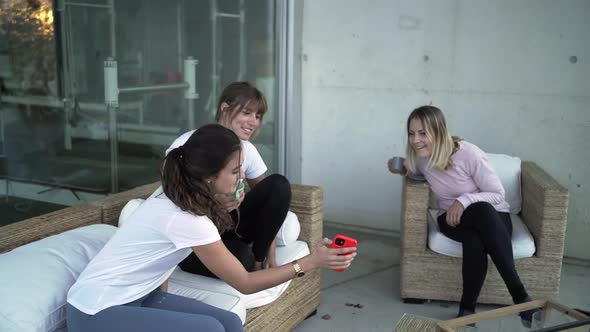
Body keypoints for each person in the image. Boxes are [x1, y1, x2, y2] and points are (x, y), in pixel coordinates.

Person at [67, 124, 356, 332]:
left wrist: (222, 205)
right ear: (208, 177)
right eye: (234, 171)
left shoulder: (179, 196)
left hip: (140, 296)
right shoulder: (186, 219)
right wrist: (311, 262)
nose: (241, 177)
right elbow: (244, 282)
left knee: (230, 322)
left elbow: (161, 252)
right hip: (96, 312)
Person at [388, 105, 536, 327]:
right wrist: (402, 169)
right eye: (411, 133)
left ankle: (470, 312)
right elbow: (417, 173)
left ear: (438, 131)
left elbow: (498, 195)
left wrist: (464, 200)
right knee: (474, 231)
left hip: (493, 218)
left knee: (478, 227)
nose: (415, 140)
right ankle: (520, 299)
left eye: (422, 133)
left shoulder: (469, 154)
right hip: (451, 219)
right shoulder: (422, 157)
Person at [167, 81, 289, 276]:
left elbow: (270, 202)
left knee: (278, 185)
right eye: (247, 113)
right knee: (242, 260)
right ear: (225, 108)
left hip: (228, 227)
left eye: (258, 116)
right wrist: (214, 202)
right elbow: (172, 203)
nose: (254, 122)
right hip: (195, 238)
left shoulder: (246, 148)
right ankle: (250, 260)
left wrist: (269, 254)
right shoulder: (188, 144)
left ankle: (258, 261)